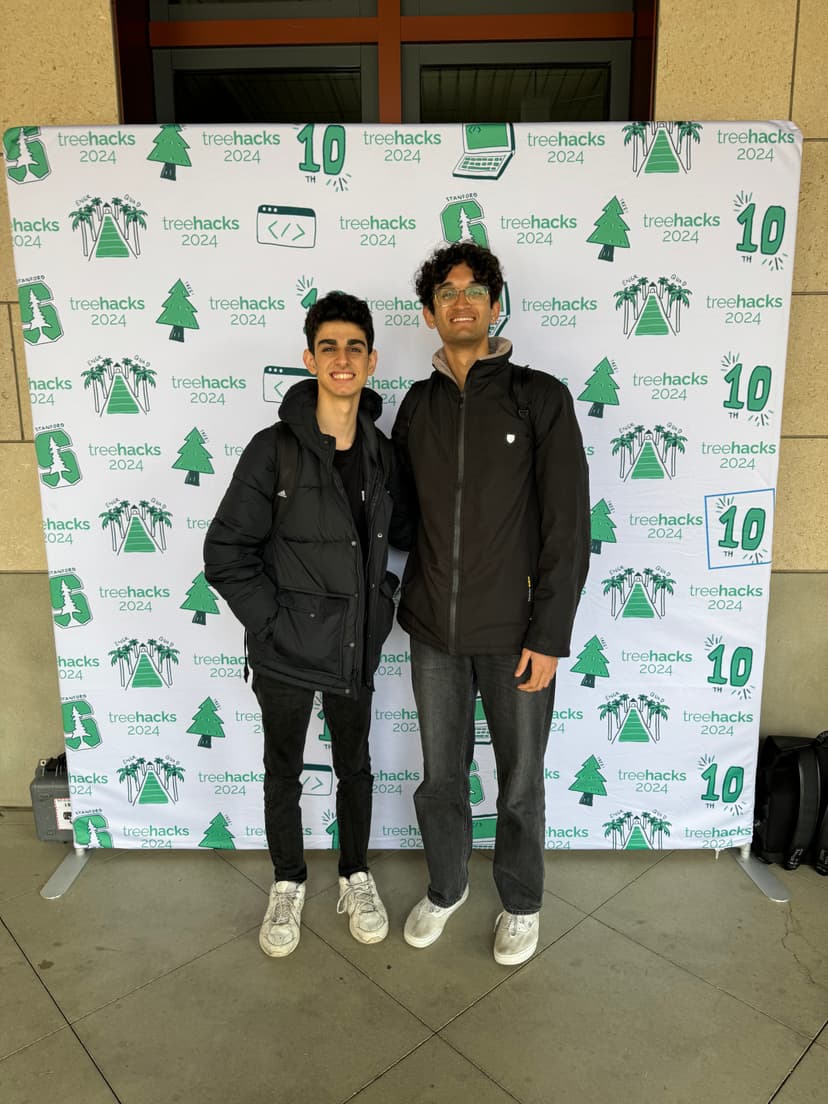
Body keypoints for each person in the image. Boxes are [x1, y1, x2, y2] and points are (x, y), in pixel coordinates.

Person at [391, 242, 590, 966]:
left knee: (518, 783)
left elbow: (568, 526)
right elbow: (402, 518)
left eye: (476, 290)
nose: (462, 301)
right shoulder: (417, 404)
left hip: (517, 636)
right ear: (430, 313)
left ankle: (521, 902)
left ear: (497, 304)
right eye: (447, 292)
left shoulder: (540, 398)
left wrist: (550, 634)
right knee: (441, 778)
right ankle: (447, 888)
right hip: (433, 633)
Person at [204, 291, 399, 958]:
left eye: (353, 347)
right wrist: (273, 626)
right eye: (328, 347)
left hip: (352, 650)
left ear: (372, 360)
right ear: (308, 358)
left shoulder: (381, 450)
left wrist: (386, 602)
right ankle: (287, 883)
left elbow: (400, 535)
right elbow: (225, 553)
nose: (341, 359)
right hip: (286, 654)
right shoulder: (273, 451)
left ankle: (355, 873)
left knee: (357, 769)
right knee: (281, 770)